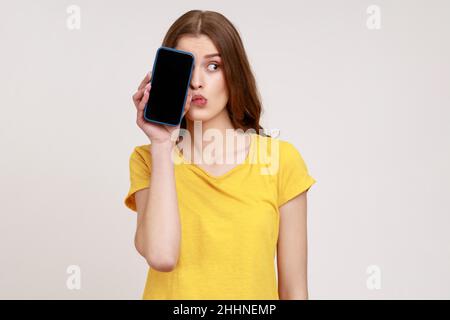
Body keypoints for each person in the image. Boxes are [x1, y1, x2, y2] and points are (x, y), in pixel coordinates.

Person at [124, 10, 316, 300]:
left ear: (234, 74)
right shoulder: (148, 160)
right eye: (187, 68)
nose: (197, 81)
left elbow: (294, 291)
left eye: (213, 66)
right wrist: (163, 145)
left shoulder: (280, 161)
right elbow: (162, 256)